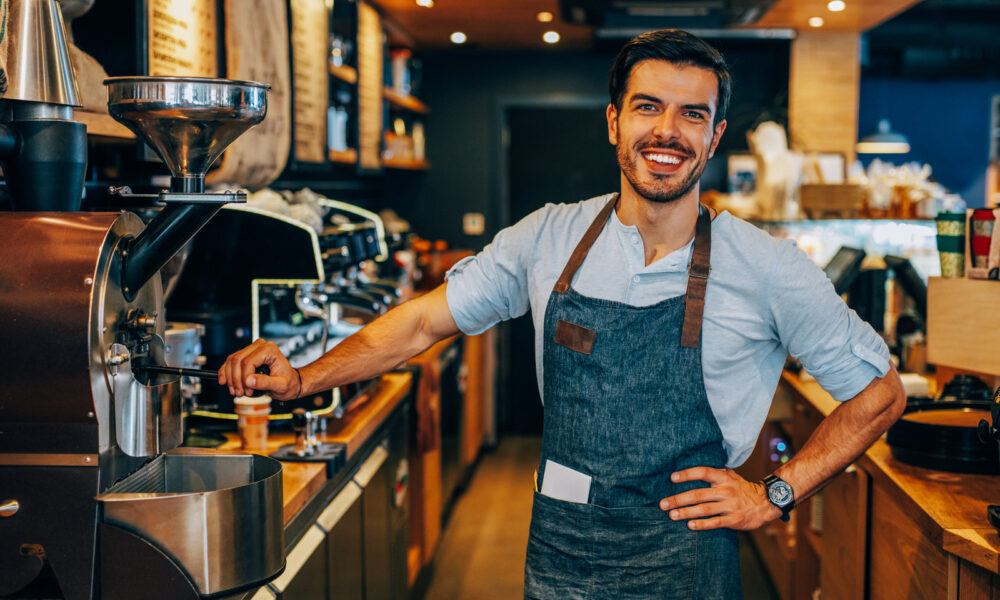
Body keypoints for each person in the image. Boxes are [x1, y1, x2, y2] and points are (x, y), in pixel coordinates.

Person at [220, 29, 905, 599]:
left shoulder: (766, 265)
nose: (667, 131)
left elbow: (880, 392)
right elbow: (425, 322)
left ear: (716, 133)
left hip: (686, 568)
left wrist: (777, 492)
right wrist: (305, 378)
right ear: (614, 122)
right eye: (647, 107)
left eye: (692, 114)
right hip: (560, 559)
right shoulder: (547, 238)